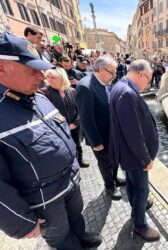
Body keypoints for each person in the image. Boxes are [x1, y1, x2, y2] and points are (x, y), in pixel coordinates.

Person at [0, 32, 101, 249]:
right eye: (32, 70)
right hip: (44, 201)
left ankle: (83, 238)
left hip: (70, 184)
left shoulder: (37, 96)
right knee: (61, 238)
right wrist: (22, 223)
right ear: (2, 67)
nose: (41, 76)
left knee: (77, 219)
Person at [109, 59, 160, 242]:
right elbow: (133, 133)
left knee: (133, 186)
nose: (148, 83)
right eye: (148, 79)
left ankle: (136, 209)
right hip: (135, 157)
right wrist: (146, 159)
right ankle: (140, 226)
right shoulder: (127, 93)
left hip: (127, 154)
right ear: (140, 74)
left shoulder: (120, 86)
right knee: (141, 190)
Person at [76, 55, 125, 201]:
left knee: (115, 159)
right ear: (102, 69)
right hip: (100, 136)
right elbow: (86, 119)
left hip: (112, 134)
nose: (114, 76)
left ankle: (115, 177)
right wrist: (96, 143)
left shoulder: (106, 81)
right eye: (113, 72)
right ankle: (109, 186)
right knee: (105, 163)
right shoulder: (85, 87)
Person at [42, 67, 89, 168]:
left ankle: (80, 160)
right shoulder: (45, 92)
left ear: (62, 78)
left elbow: (79, 109)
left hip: (74, 126)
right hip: (58, 129)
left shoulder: (72, 91)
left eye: (53, 77)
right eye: (47, 77)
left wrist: (75, 123)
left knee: (77, 144)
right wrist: (62, 125)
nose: (49, 80)